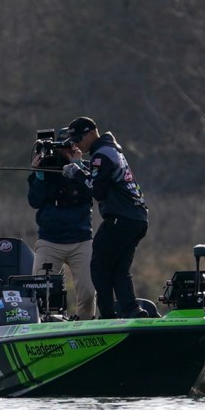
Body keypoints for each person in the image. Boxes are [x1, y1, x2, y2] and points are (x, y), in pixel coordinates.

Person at [62, 116, 149, 319]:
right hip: (137, 218)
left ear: (91, 133)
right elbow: (101, 179)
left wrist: (76, 172)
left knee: (99, 266)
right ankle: (133, 311)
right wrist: (80, 166)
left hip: (120, 218)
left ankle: (108, 316)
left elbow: (97, 191)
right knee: (119, 269)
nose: (76, 144)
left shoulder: (101, 154)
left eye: (78, 138)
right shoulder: (111, 150)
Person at [28, 143, 96, 320]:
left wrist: (78, 168)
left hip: (81, 240)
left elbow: (93, 193)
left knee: (88, 292)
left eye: (70, 146)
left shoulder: (86, 169)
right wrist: (38, 175)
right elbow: (34, 201)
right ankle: (46, 325)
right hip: (49, 241)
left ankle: (85, 324)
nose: (67, 150)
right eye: (62, 146)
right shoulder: (45, 168)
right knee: (40, 291)